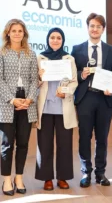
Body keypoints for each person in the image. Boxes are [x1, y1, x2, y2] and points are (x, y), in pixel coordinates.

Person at [71, 13, 112, 188]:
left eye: (98, 26)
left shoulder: (111, 50)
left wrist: (111, 88)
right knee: (84, 137)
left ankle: (101, 173)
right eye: (92, 26)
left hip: (104, 99)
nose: (95, 29)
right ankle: (86, 173)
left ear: (103, 29)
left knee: (102, 139)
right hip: (85, 98)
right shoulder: (77, 49)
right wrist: (81, 75)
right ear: (87, 27)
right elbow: (71, 74)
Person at [36, 27, 78, 190]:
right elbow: (34, 81)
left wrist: (65, 92)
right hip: (45, 108)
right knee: (44, 145)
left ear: (63, 41)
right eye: (52, 37)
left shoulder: (69, 59)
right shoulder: (40, 58)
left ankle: (62, 178)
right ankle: (46, 178)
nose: (55, 40)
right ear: (47, 39)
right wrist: (39, 76)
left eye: (58, 38)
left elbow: (74, 82)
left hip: (63, 108)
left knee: (65, 145)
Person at [0, 19, 38, 196]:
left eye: (20, 31)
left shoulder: (31, 54)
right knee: (7, 144)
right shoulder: (1, 53)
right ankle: (7, 179)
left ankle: (19, 177)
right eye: (13, 30)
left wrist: (29, 99)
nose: (17, 33)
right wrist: (12, 99)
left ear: (24, 34)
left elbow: (33, 79)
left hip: (26, 103)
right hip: (7, 103)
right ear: (8, 33)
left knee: (23, 143)